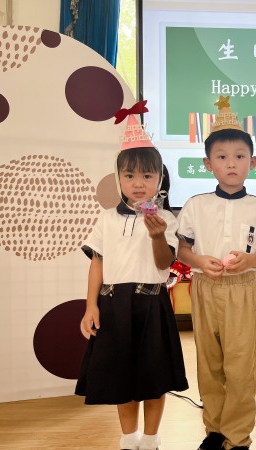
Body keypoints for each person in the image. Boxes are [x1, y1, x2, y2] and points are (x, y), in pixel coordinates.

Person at [75, 101, 189, 450]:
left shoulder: (166, 220)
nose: (138, 183)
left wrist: (157, 236)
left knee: (154, 377)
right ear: (119, 178)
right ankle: (129, 438)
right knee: (121, 376)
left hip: (151, 305)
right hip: (113, 306)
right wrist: (90, 306)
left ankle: (151, 439)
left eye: (147, 176)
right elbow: (97, 263)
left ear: (159, 179)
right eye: (130, 176)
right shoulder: (107, 218)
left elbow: (164, 264)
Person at [176, 96, 256, 450]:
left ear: (252, 162)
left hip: (243, 288)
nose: (231, 164)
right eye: (221, 157)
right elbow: (182, 249)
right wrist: (199, 260)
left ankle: (237, 435)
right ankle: (215, 429)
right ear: (208, 163)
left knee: (241, 363)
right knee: (209, 362)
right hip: (205, 287)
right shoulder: (196, 205)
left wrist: (250, 262)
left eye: (239, 156)